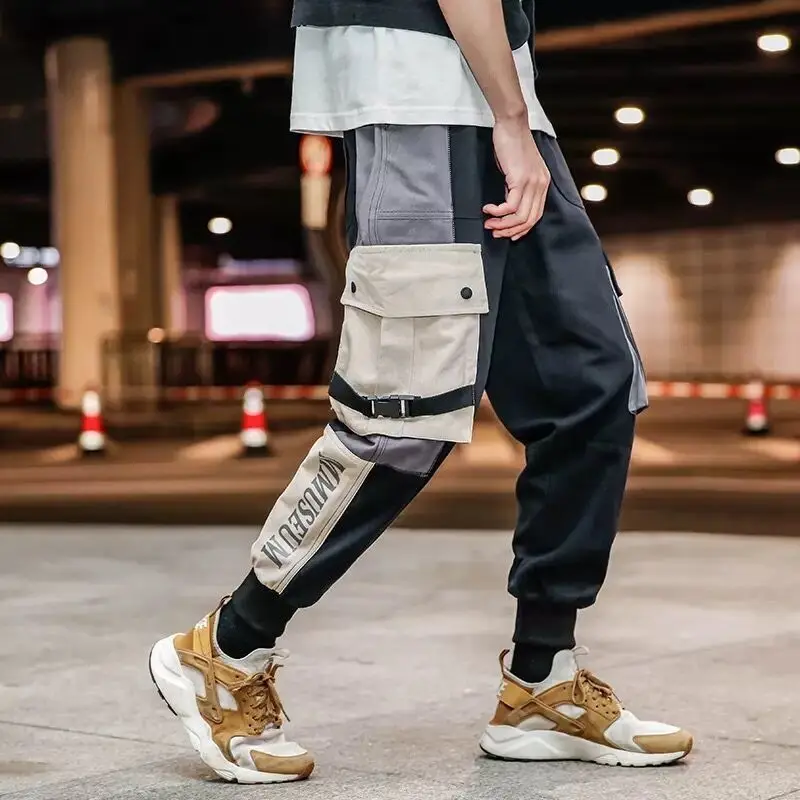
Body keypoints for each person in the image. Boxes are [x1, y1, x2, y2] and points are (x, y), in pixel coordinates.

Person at [149, 0, 693, 783]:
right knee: (403, 417)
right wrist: (509, 117)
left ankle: (541, 679)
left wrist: (515, 113)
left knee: (591, 386)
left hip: (505, 101)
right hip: (414, 98)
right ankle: (226, 650)